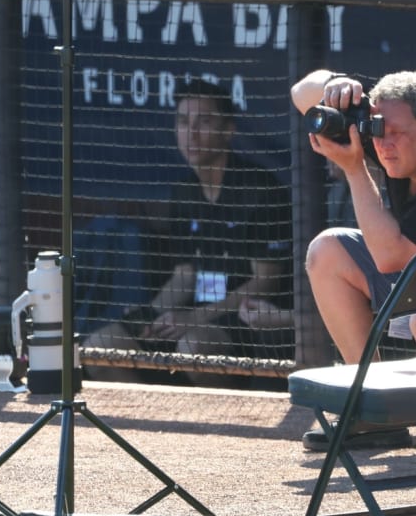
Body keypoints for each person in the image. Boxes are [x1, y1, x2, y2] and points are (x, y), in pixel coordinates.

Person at [291, 68, 416, 450]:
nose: (384, 144)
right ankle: (368, 411)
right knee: (327, 251)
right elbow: (301, 93)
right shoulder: (388, 134)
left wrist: (354, 169)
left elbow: (390, 258)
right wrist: (334, 85)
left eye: (397, 133)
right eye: (378, 131)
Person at [84, 80, 292, 366]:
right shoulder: (183, 191)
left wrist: (195, 317)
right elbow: (185, 275)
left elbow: (266, 282)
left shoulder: (260, 190)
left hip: (248, 318)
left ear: (228, 130)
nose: (191, 133)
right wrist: (153, 312)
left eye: (203, 121)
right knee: (99, 348)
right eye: (183, 121)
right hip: (191, 312)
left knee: (192, 346)